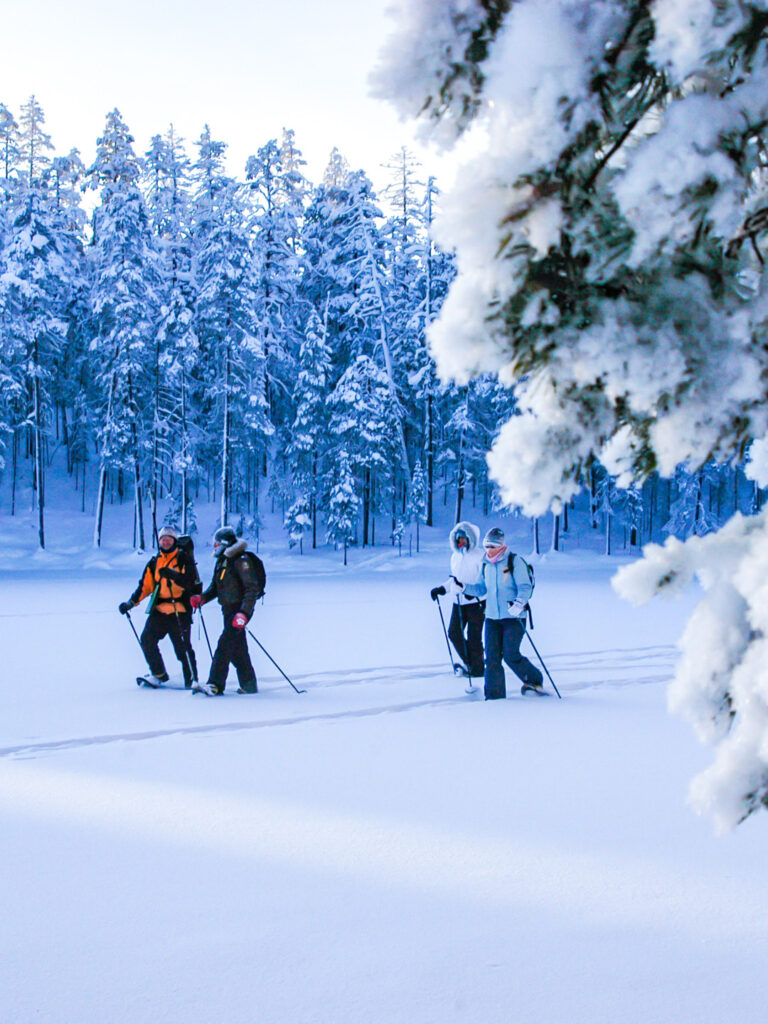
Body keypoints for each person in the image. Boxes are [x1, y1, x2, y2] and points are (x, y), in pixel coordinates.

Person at [460, 526, 543, 700]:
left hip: (514, 617)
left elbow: (525, 586)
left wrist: (519, 603)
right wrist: (463, 587)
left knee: (510, 654)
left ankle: (534, 681)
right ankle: (494, 697)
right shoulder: (485, 564)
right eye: (486, 546)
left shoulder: (514, 561)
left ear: (501, 545)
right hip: (492, 618)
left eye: (492, 546)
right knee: (491, 658)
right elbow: (482, 588)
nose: (489, 550)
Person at [118, 525, 199, 688]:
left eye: (169, 539)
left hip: (179, 611)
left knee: (183, 649)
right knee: (147, 640)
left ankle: (192, 681)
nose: (166, 542)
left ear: (174, 541)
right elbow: (145, 587)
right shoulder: (154, 562)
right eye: (163, 539)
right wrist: (130, 603)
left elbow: (191, 583)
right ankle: (159, 674)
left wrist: (174, 575)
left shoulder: (184, 559)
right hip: (160, 611)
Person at [190, 526, 264, 695]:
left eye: (217, 543)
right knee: (238, 650)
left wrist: (243, 613)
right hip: (228, 611)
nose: (214, 546)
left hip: (238, 612)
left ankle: (215, 684)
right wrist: (202, 598)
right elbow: (216, 588)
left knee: (224, 646)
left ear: (224, 543)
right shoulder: (223, 560)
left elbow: (251, 589)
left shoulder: (241, 560)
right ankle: (249, 685)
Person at [430, 521, 485, 677]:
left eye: (463, 539)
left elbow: (485, 584)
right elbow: (455, 580)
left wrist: (471, 591)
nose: (460, 542)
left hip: (477, 603)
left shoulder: (480, 556)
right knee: (454, 633)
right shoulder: (455, 557)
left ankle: (478, 669)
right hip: (459, 602)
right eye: (458, 539)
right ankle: (472, 663)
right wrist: (442, 588)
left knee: (474, 638)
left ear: (470, 539)